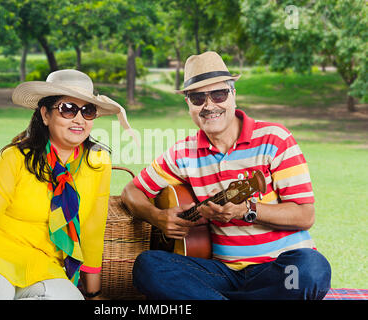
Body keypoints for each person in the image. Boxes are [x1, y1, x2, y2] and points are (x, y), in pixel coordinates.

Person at [121, 51, 331, 300]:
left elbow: (305, 215)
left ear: (233, 95)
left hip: (279, 269)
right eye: (198, 98)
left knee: (312, 270)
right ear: (188, 103)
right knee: (148, 267)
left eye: (218, 94)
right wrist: (157, 217)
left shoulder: (275, 138)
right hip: (223, 275)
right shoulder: (182, 153)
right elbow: (130, 192)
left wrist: (247, 210)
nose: (209, 105)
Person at [0, 69, 134, 300]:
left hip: (44, 268)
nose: (79, 119)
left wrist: (93, 293)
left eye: (87, 111)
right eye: (68, 109)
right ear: (45, 114)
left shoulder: (97, 162)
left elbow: (92, 229)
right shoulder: (14, 158)